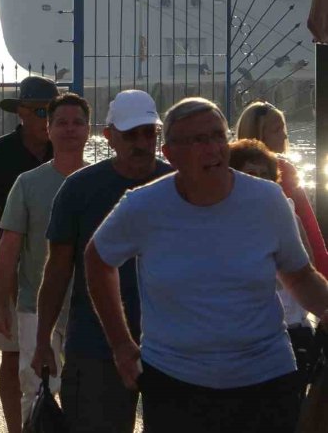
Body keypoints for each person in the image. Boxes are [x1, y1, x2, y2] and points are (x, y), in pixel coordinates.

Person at [85, 97, 328, 433]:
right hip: (175, 384)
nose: (213, 147)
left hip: (265, 379)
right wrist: (121, 344)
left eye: (218, 135)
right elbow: (97, 259)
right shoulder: (143, 206)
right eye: (198, 140)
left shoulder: (267, 200)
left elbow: (300, 277)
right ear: (170, 154)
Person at [31, 89, 171, 433]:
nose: (141, 143)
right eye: (130, 134)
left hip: (171, 346)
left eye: (148, 133)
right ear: (109, 136)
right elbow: (57, 269)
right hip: (95, 347)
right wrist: (42, 341)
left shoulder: (178, 185)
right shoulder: (79, 189)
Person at [0, 93, 90, 426]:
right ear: (48, 129)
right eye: (61, 122)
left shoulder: (101, 182)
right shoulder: (28, 183)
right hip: (36, 308)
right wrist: (1, 305)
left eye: (77, 122)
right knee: (36, 393)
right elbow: (8, 248)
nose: (69, 129)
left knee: (87, 394)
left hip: (89, 310)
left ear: (88, 129)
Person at [0, 75, 56, 433]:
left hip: (58, 266)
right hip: (9, 261)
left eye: (51, 110)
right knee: (13, 354)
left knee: (63, 353)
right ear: (22, 112)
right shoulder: (0, 152)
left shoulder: (65, 150)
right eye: (40, 111)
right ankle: (16, 429)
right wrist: (5, 264)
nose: (47, 118)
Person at [228, 138, 318, 404]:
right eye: (249, 174)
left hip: (290, 328)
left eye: (264, 175)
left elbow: (306, 268)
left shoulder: (286, 211)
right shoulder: (221, 217)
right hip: (243, 337)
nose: (257, 181)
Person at [235, 101, 328, 278]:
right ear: (258, 135)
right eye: (277, 130)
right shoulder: (283, 170)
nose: (285, 136)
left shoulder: (232, 172)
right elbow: (309, 226)